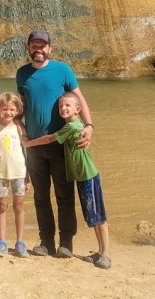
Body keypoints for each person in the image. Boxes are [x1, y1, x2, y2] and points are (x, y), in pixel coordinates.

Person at [15, 29, 94, 258]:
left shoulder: (62, 70)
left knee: (64, 194)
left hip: (61, 144)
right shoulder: (22, 74)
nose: (38, 49)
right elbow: (21, 106)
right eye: (34, 45)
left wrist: (89, 126)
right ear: (28, 48)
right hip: (34, 146)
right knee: (40, 196)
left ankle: (66, 242)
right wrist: (18, 125)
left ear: (49, 48)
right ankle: (46, 241)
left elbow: (80, 99)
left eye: (42, 45)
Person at [25, 91, 111, 268]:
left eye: (67, 106)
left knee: (98, 216)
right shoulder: (73, 125)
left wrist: (27, 143)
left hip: (88, 175)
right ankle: (100, 251)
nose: (63, 108)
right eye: (60, 106)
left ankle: (106, 254)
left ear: (78, 109)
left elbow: (49, 138)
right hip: (81, 177)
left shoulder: (72, 126)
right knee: (92, 215)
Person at [0, 91, 29, 258]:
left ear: (17, 110)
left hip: (19, 173)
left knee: (19, 206)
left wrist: (28, 176)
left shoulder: (19, 128)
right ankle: (2, 241)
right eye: (5, 109)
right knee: (1, 206)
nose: (8, 112)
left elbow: (26, 153)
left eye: (12, 109)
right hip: (0, 174)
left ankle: (20, 242)